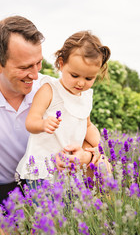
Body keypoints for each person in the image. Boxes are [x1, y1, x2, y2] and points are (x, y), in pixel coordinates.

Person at [0, 16, 97, 235]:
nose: (35, 75)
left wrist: (86, 156)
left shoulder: (52, 89)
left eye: (38, 63)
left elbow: (86, 136)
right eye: (25, 67)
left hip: (40, 180)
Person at [16, 31, 111, 186]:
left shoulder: (85, 96)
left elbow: (87, 126)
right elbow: (31, 121)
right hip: (41, 169)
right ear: (61, 64)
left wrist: (99, 147)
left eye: (89, 78)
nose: (81, 83)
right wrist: (42, 124)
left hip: (69, 169)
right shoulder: (49, 90)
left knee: (69, 208)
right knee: (45, 208)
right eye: (74, 75)